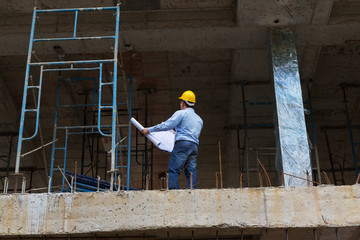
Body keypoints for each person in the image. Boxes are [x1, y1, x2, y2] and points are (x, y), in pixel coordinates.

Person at [142, 90, 203, 189]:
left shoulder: (181, 113)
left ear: (183, 103)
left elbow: (166, 125)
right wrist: (177, 133)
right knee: (191, 171)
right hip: (194, 146)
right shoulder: (199, 119)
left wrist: (149, 130)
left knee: (174, 169)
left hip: (182, 145)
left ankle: (173, 191)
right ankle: (193, 190)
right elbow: (190, 133)